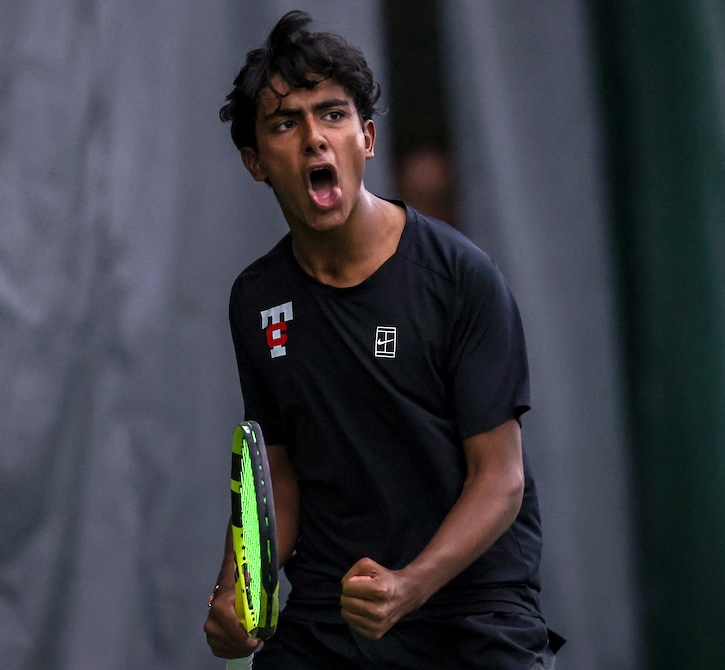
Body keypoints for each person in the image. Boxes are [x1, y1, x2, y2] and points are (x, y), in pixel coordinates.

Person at [204, 10, 562, 669]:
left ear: (366, 139)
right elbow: (276, 472)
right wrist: (233, 593)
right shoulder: (257, 301)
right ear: (255, 162)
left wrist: (410, 585)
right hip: (328, 617)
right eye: (286, 123)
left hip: (469, 616)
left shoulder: (460, 279)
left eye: (333, 115)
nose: (315, 138)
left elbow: (501, 479)